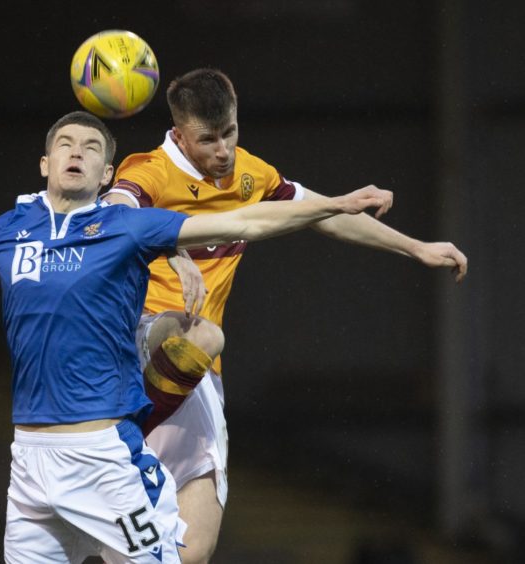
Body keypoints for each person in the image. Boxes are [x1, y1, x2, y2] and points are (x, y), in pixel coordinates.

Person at [0, 111, 394, 563]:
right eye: (64, 144)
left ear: (105, 170)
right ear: (45, 164)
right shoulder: (7, 230)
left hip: (103, 458)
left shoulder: (125, 225)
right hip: (29, 464)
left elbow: (245, 218)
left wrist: (333, 204)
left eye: (91, 146)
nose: (76, 151)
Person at [104, 69, 469, 563]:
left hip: (201, 378)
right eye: (207, 140)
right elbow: (113, 211)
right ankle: (124, 431)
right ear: (178, 133)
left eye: (229, 133)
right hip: (140, 343)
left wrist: (416, 248)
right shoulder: (149, 170)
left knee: (191, 552)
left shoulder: (251, 175)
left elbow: (327, 215)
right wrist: (171, 247)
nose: (222, 151)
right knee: (193, 336)